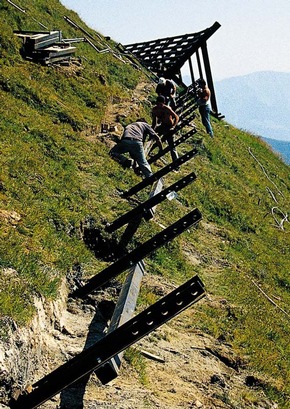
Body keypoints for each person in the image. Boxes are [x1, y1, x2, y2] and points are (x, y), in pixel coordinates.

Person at [151, 96, 179, 163]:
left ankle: (176, 162)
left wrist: (173, 126)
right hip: (162, 126)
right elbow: (154, 122)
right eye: (158, 104)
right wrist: (152, 130)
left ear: (163, 103)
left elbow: (176, 117)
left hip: (169, 127)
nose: (159, 106)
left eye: (160, 104)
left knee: (172, 145)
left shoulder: (167, 108)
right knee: (152, 137)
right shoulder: (154, 110)